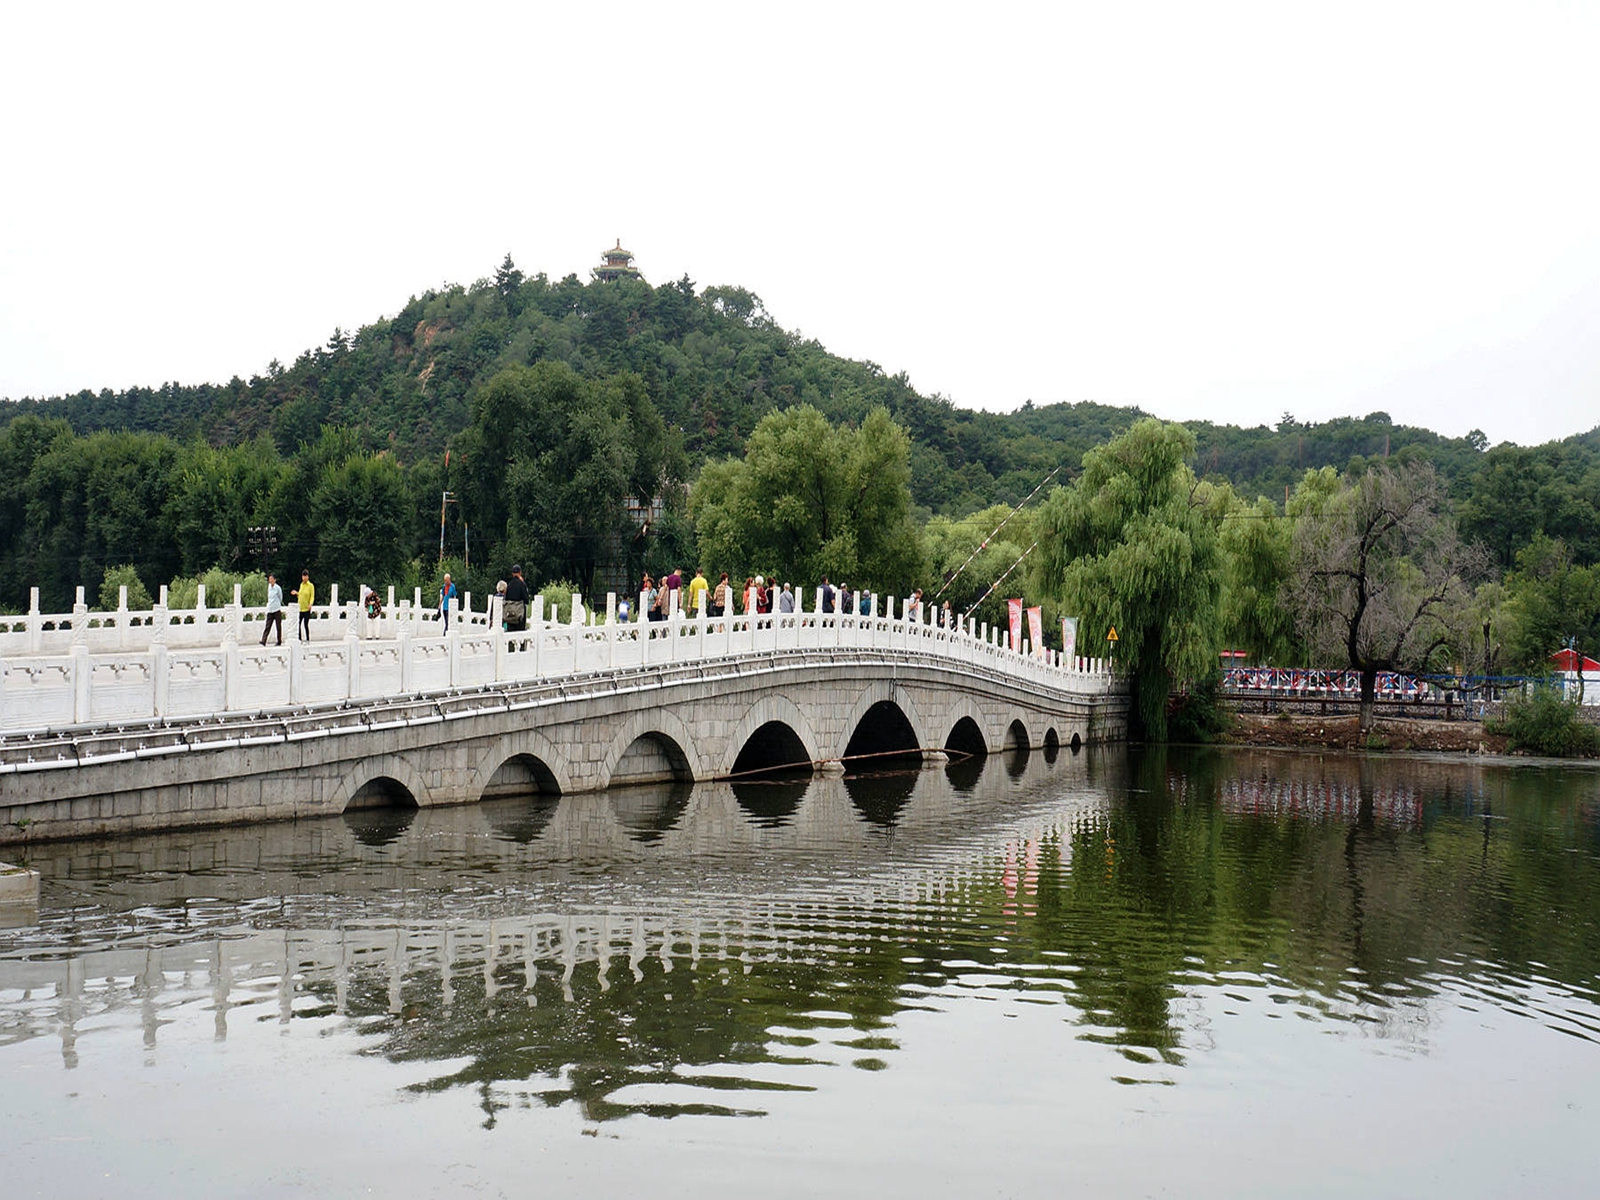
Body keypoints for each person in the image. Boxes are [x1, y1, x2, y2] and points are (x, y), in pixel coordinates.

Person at [260, 573, 284, 646]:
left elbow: (280, 597)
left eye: (271, 579)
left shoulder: (278, 588)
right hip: (270, 609)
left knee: (278, 626)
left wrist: (277, 604)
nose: (270, 580)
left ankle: (279, 641)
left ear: (275, 580)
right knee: (268, 626)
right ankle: (263, 640)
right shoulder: (269, 587)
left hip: (276, 609)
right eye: (269, 579)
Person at [504, 565, 529, 632]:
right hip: (519, 615)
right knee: (520, 635)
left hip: (510, 615)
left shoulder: (509, 585)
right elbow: (526, 600)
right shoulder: (522, 584)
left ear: (512, 574)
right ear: (520, 573)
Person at [294, 569, 315, 642]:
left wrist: (310, 604)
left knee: (305, 624)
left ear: (308, 577)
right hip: (300, 608)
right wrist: (296, 593)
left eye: (306, 576)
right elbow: (301, 594)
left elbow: (312, 596)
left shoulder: (310, 586)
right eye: (303, 576)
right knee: (298, 624)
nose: (304, 578)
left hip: (307, 608)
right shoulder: (301, 585)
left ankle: (307, 638)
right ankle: (299, 638)